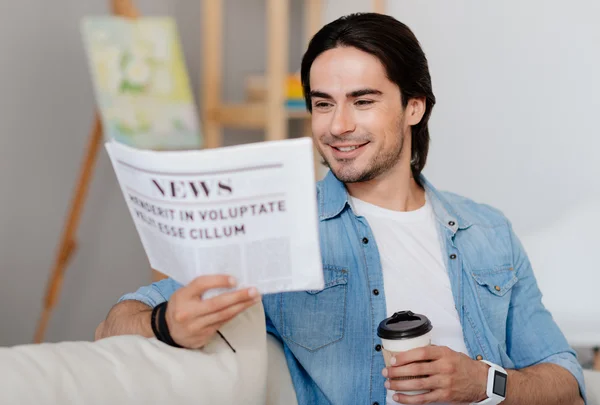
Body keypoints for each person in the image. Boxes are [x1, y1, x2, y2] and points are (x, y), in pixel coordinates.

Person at [95, 13, 586, 405]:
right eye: (323, 104)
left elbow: (566, 382)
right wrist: (165, 324)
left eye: (363, 101)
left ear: (414, 106)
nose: (338, 126)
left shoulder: (487, 229)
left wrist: (485, 383)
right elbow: (116, 321)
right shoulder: (280, 227)